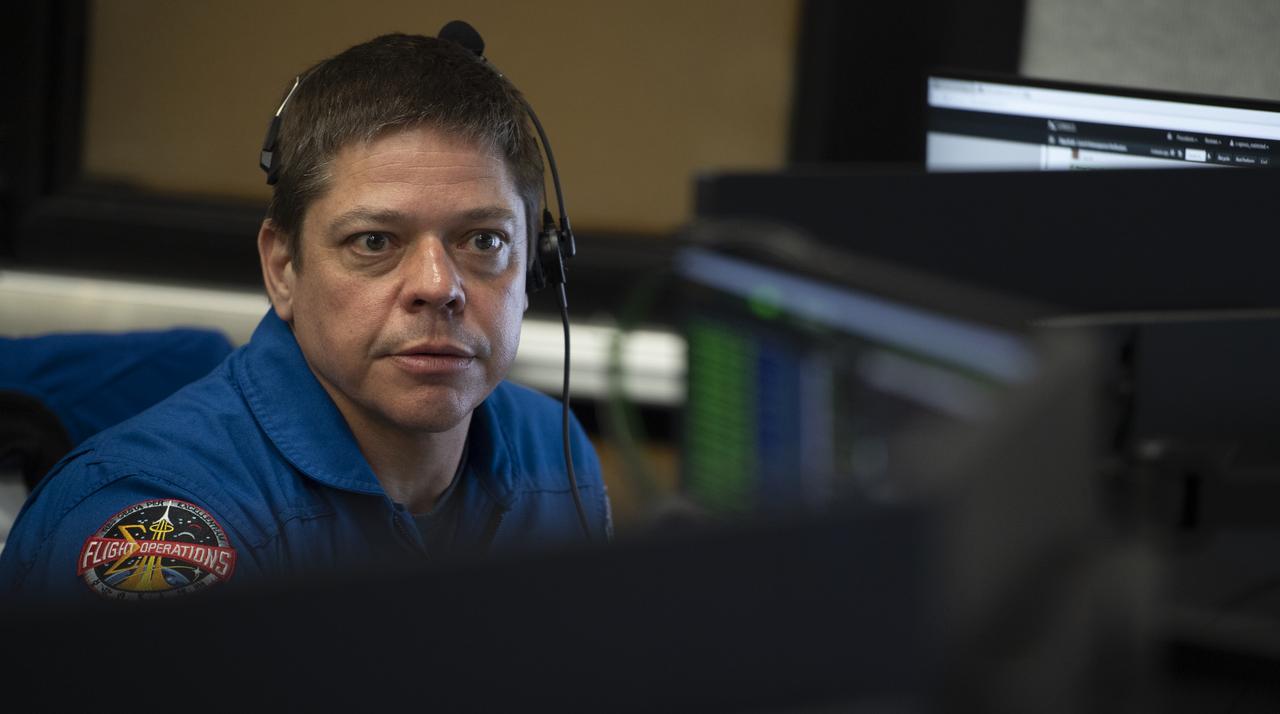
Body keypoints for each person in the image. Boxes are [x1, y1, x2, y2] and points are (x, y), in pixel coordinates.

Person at [0, 31, 611, 603]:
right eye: (375, 241)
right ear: (283, 268)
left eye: (483, 241)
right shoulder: (160, 520)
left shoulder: (552, 450)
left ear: (536, 268)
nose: (436, 286)